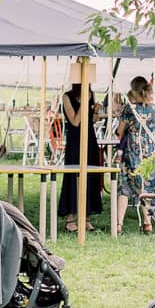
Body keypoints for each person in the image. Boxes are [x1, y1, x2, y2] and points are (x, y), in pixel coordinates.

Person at [58, 67, 104, 232]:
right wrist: (84, 102)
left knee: (90, 175)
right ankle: (70, 218)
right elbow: (75, 121)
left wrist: (96, 110)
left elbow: (90, 120)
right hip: (75, 140)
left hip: (90, 138)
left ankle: (86, 218)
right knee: (73, 176)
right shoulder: (67, 97)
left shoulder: (90, 95)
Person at [116, 76, 155, 234]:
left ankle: (119, 224)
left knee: (124, 188)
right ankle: (148, 223)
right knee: (146, 188)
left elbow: (119, 131)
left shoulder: (130, 110)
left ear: (134, 91)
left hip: (132, 151)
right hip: (149, 153)